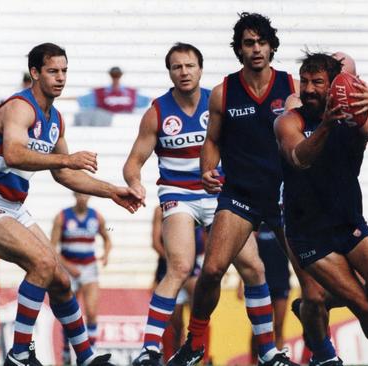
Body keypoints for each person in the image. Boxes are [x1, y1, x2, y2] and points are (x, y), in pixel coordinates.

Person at [0, 42, 143, 366]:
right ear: (35, 73)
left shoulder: (55, 118)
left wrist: (112, 190)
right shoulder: (19, 107)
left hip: (12, 206)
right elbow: (15, 154)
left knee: (60, 279)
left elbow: (65, 176)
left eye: (64, 71)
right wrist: (67, 158)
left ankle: (85, 357)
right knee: (43, 264)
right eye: (52, 71)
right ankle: (18, 355)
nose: (60, 78)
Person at [275, 51, 368, 366]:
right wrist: (327, 124)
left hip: (347, 222)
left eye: (318, 83)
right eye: (305, 82)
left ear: (335, 87)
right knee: (363, 305)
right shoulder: (290, 117)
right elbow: (300, 158)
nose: (309, 89)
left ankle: (312, 306)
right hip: (308, 233)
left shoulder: (356, 115)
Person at [168, 13, 299, 366]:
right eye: (248, 43)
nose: (256, 49)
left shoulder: (292, 86)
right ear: (239, 50)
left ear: (272, 46)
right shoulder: (224, 91)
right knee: (211, 270)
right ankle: (195, 343)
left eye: (261, 42)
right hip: (240, 194)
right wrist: (207, 170)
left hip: (285, 195)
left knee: (310, 280)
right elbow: (211, 142)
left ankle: (319, 353)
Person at [123, 42, 219, 366]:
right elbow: (133, 162)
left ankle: (267, 351)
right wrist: (135, 183)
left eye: (189, 65)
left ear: (200, 68)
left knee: (251, 267)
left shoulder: (217, 103)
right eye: (177, 67)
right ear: (170, 72)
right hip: (179, 195)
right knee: (178, 267)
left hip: (219, 194)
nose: (184, 72)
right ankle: (149, 350)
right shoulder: (158, 112)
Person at [51, 192, 112, 365]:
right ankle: (65, 350)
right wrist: (68, 267)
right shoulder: (62, 217)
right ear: (74, 195)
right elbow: (52, 248)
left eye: (86, 195)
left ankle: (91, 354)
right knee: (69, 314)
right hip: (68, 267)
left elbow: (107, 238)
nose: (83, 198)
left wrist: (106, 254)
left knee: (92, 313)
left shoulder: (96, 217)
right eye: (79, 195)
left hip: (89, 268)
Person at [150, 206, 210, 362]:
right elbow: (156, 242)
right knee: (175, 326)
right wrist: (176, 262)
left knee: (200, 315)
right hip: (170, 270)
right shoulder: (160, 210)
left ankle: (204, 359)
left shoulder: (199, 206)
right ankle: (171, 358)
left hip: (191, 271)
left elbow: (206, 239)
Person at [238, 222, 291, 365]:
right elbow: (246, 257)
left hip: (282, 281)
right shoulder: (257, 226)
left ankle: (278, 361)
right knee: (258, 330)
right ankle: (253, 362)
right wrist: (240, 283)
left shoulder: (282, 224)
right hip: (261, 283)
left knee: (279, 326)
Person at [77, 66, 150, 113]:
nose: (115, 78)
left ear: (120, 76)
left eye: (117, 75)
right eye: (114, 75)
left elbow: (147, 100)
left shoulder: (130, 92)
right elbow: (81, 99)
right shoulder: (101, 92)